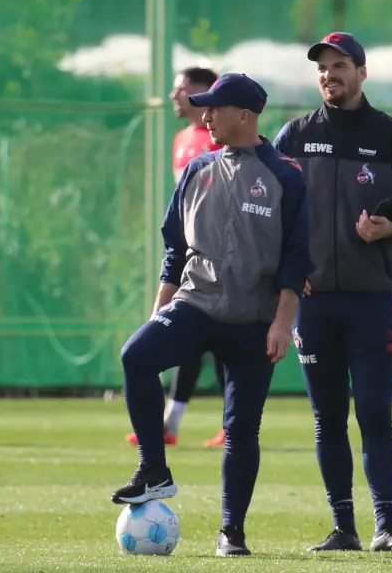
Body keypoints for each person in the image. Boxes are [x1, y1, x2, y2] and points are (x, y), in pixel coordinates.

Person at [111, 73, 311, 557]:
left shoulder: (285, 174)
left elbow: (297, 258)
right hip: (195, 304)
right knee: (136, 357)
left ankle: (231, 533)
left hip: (254, 320)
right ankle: (154, 471)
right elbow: (174, 251)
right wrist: (161, 308)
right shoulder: (197, 170)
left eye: (214, 109)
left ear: (244, 115)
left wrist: (284, 322)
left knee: (241, 429)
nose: (205, 117)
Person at [272, 32, 392, 554]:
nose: (330, 75)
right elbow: (267, 207)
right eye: (323, 67)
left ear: (362, 73)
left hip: (372, 302)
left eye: (340, 65)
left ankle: (386, 527)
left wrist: (389, 228)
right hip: (315, 302)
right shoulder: (294, 137)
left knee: (372, 411)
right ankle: (342, 527)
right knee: (327, 417)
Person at [124, 66, 227, 448]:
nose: (173, 96)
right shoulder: (182, 139)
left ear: (204, 91)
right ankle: (170, 424)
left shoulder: (223, 138)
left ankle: (230, 424)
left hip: (225, 260)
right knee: (190, 338)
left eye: (181, 89)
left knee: (223, 342)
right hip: (189, 256)